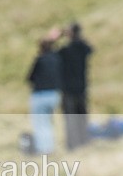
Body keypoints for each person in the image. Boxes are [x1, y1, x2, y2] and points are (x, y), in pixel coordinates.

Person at [56, 22, 93, 150]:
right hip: (82, 87)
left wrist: (57, 37)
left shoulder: (66, 50)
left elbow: (52, 52)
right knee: (82, 116)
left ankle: (73, 144)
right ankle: (84, 141)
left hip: (68, 89)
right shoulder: (82, 48)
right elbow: (90, 48)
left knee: (70, 118)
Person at [26, 37, 62, 155]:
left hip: (40, 94)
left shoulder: (40, 60)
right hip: (54, 94)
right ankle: (50, 147)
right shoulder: (58, 59)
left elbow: (30, 77)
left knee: (40, 123)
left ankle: (43, 149)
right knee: (48, 122)